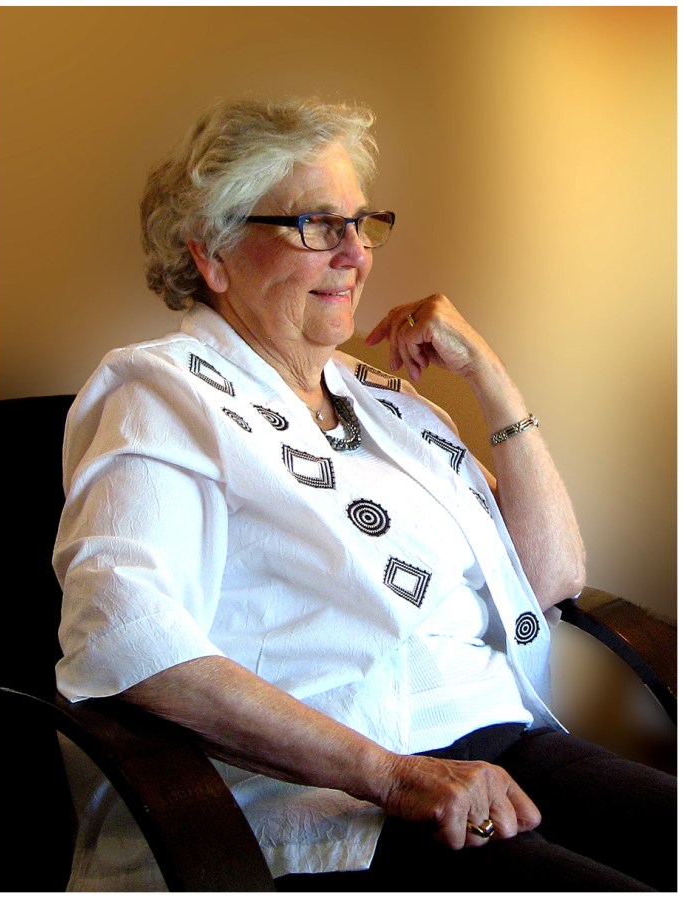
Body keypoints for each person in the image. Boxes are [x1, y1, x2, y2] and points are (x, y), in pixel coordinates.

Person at [54, 97, 675, 892]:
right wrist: (391, 774)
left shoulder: (382, 401)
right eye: (317, 224)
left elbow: (549, 577)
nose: (356, 254)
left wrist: (490, 379)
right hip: (329, 798)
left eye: (361, 222)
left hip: (503, 743)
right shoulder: (159, 393)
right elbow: (124, 634)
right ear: (212, 254)